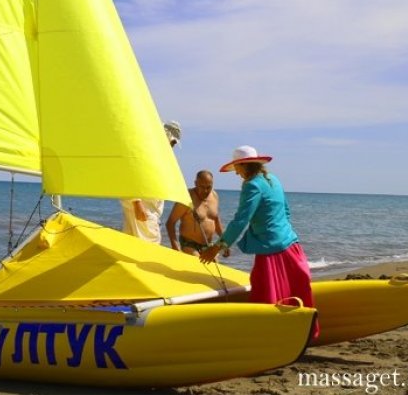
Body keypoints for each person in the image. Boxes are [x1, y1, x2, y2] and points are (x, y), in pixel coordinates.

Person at [200, 145, 318, 339]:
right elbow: (286, 211)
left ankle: (267, 336)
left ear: (244, 165)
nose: (237, 174)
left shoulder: (252, 185)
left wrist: (218, 247)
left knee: (266, 295)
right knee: (295, 289)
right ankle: (301, 331)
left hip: (272, 251)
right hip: (291, 245)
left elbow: (241, 220)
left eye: (237, 168)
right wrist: (283, 232)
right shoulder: (273, 180)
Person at [121, 121, 181, 244]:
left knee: (130, 249)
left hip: (140, 207)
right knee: (148, 251)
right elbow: (131, 171)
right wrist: (137, 202)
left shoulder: (152, 151)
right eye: (173, 142)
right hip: (144, 209)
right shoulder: (148, 151)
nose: (173, 146)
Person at [165, 170, 228, 255]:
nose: (205, 190)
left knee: (216, 267)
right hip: (189, 245)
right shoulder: (187, 198)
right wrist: (175, 246)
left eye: (208, 187)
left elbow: (216, 220)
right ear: (195, 183)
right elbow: (170, 222)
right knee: (197, 265)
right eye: (202, 187)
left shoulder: (214, 196)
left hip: (207, 245)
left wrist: (224, 243)